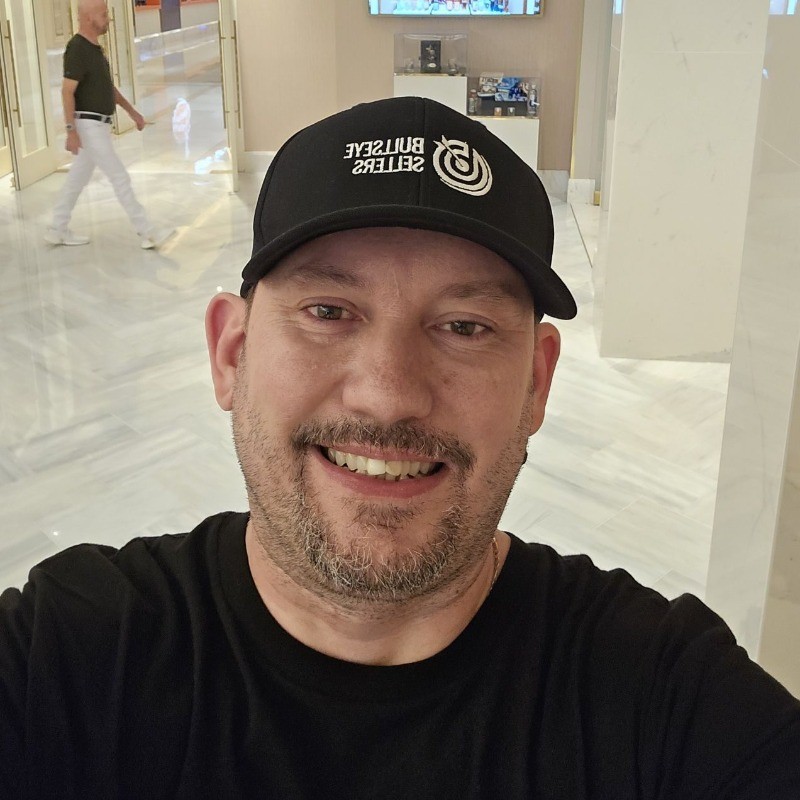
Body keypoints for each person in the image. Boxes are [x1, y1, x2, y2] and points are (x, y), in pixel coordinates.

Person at [2, 96, 799, 798]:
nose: (387, 394)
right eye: (327, 311)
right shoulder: (65, 659)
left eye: (464, 327)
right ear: (232, 354)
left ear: (536, 385)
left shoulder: (662, 698)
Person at [44, 0, 173, 250]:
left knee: (76, 180)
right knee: (119, 177)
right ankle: (148, 231)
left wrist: (133, 112)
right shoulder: (77, 48)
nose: (108, 19)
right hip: (88, 126)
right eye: (103, 14)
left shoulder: (95, 49)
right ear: (88, 17)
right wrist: (70, 130)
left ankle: (57, 228)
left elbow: (107, 88)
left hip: (97, 125)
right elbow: (67, 91)